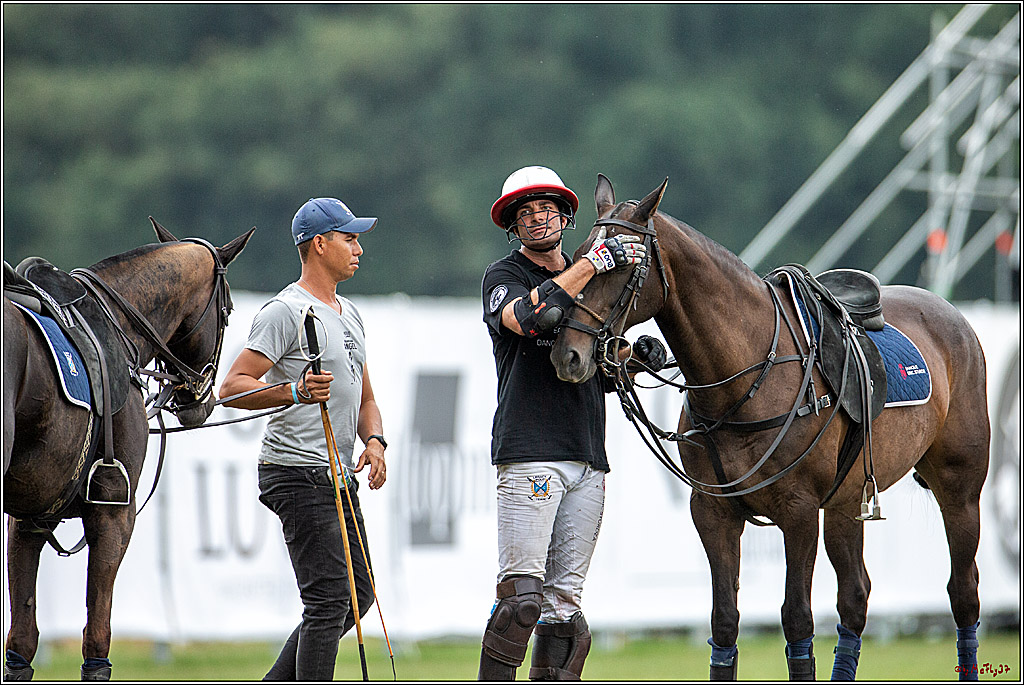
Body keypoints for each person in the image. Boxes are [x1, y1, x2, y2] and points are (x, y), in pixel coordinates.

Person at [479, 166, 667, 680]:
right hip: (530, 450)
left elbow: (592, 364)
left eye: (547, 209)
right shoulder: (505, 276)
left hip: (588, 456)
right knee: (522, 599)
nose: (538, 219)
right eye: (526, 213)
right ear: (513, 227)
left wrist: (631, 359)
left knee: (564, 607)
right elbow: (527, 320)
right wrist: (593, 262)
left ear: (565, 216)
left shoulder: (593, 280)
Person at [218, 197, 387, 681]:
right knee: (330, 599)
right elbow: (232, 388)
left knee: (358, 593)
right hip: (296, 472)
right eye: (349, 238)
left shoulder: (349, 312)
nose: (358, 248)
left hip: (335, 475)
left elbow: (366, 397)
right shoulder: (285, 311)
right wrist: (292, 390)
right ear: (320, 244)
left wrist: (374, 442)